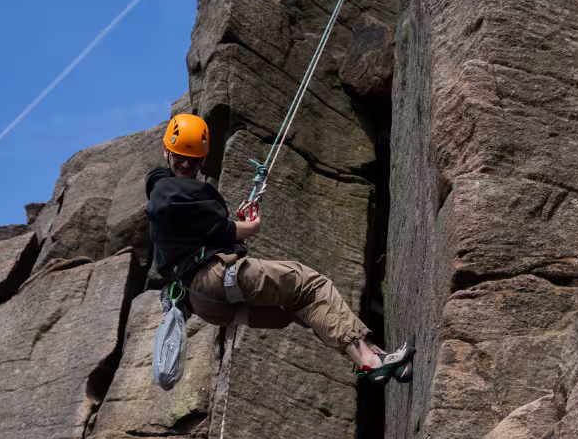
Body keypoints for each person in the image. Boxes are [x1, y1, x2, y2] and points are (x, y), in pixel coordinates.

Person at [145, 114, 414, 385]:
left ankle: (376, 359)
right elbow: (201, 220)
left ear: (198, 159)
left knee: (302, 307)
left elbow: (205, 229)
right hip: (214, 278)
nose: (185, 163)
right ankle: (369, 360)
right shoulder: (169, 191)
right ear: (166, 151)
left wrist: (230, 231)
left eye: (191, 159)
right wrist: (250, 226)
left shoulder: (168, 190)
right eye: (181, 156)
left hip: (204, 305)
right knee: (311, 284)